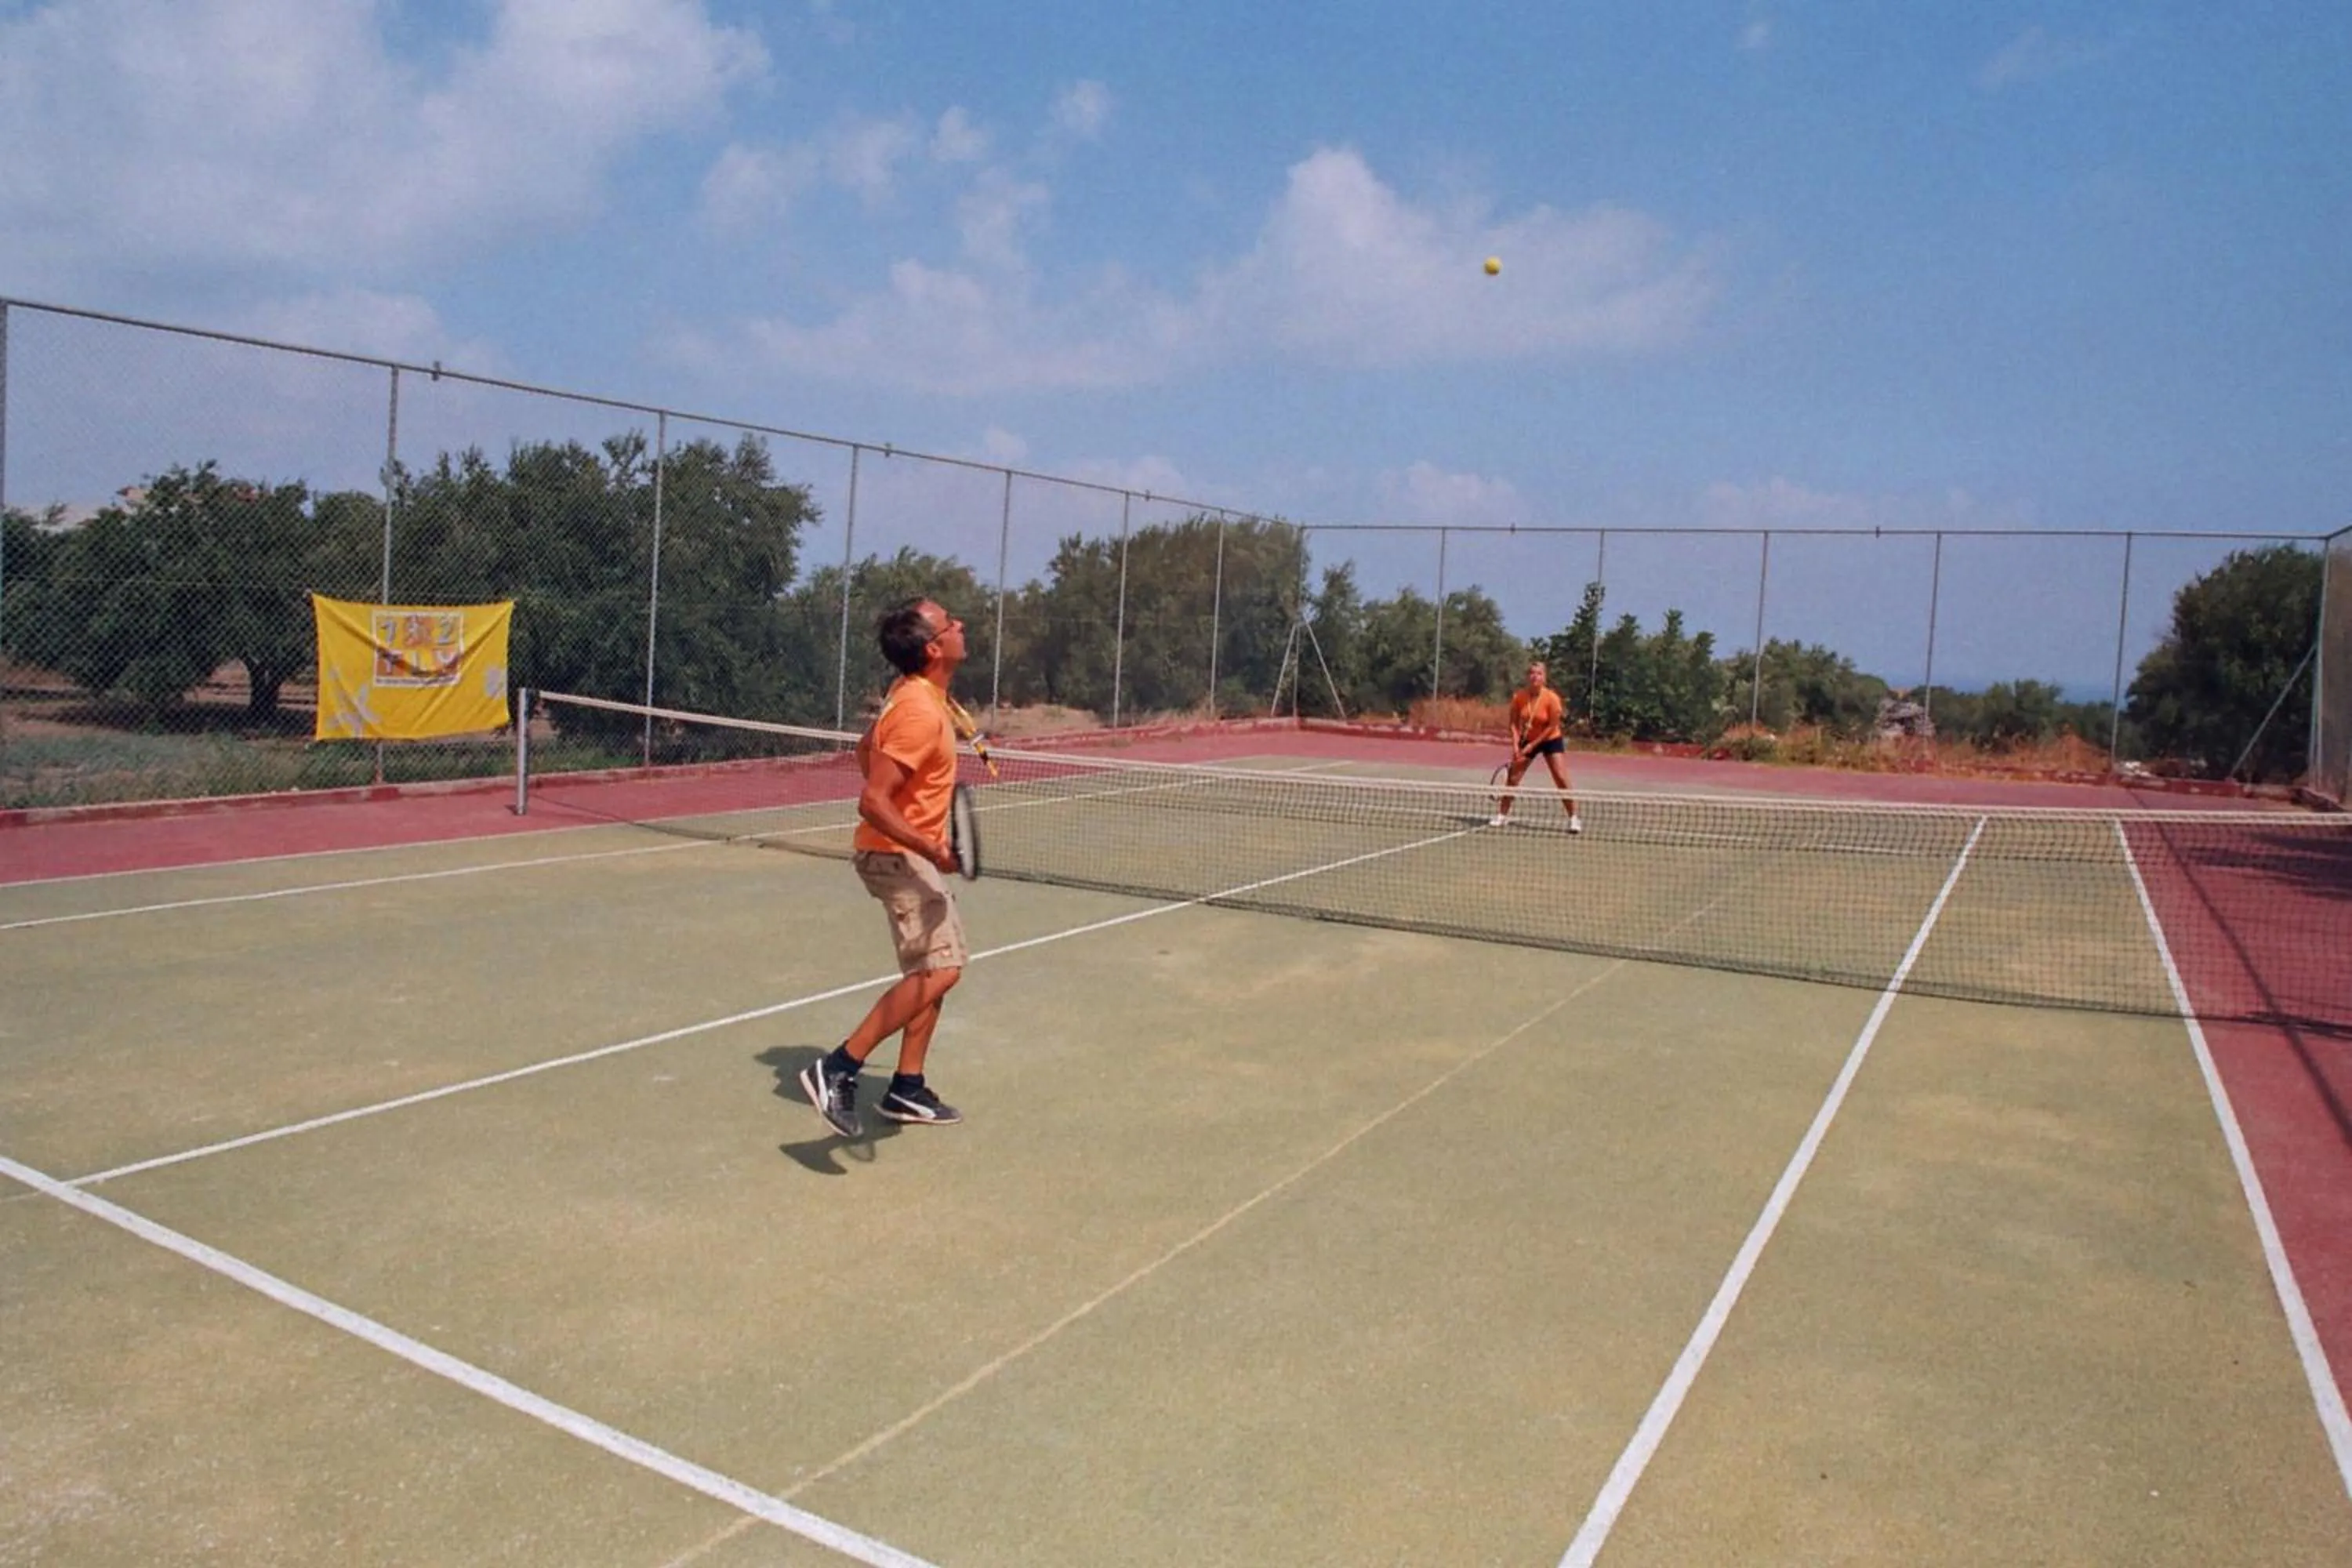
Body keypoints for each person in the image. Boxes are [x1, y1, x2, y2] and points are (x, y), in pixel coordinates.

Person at [799, 598, 971, 1136]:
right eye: (951, 623)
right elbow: (873, 800)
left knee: (931, 972)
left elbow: (864, 749)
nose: (961, 625)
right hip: (896, 856)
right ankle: (838, 1068)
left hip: (904, 853)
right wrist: (932, 844)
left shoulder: (913, 696)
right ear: (933, 647)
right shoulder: (919, 710)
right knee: (942, 969)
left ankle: (906, 1087)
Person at [1490, 659, 1582, 833]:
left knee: (1561, 778)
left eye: (1539, 673)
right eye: (1532, 673)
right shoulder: (1519, 697)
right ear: (1528, 676)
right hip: (1527, 738)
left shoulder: (1552, 699)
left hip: (1550, 739)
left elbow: (1552, 726)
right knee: (1514, 778)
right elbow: (1513, 724)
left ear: (1544, 677)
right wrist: (1516, 745)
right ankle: (1502, 815)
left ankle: (1574, 818)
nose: (1535, 676)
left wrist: (1532, 745)